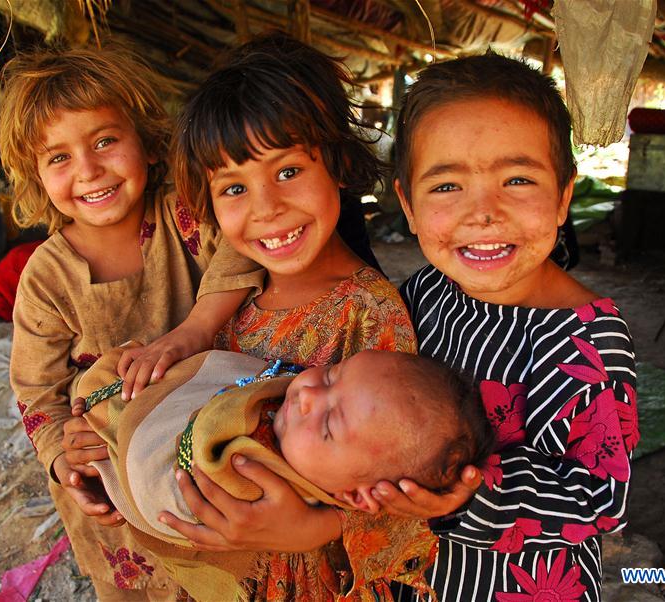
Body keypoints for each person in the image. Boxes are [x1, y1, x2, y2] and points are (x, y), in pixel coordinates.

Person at [145, 33, 423, 601]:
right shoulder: (228, 304)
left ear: (338, 163)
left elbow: (409, 485)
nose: (266, 208)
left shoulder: (368, 315)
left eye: (288, 172)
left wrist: (314, 529)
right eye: (233, 187)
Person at [0, 45, 263, 600]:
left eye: (104, 141)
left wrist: (195, 329)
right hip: (113, 472)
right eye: (59, 157)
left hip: (204, 444)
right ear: (35, 176)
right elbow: (36, 392)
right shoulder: (45, 277)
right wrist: (65, 462)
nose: (89, 170)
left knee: (229, 569)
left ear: (145, 138)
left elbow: (240, 250)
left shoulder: (184, 213)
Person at [375, 53, 640, 601]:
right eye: (446, 186)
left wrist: (469, 495)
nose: (484, 212)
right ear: (407, 204)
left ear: (564, 197)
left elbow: (600, 500)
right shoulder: (426, 290)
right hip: (414, 575)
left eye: (517, 179)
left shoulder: (587, 343)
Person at [70, 346, 495, 602]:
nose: (307, 394)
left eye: (328, 425)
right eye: (331, 374)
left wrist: (318, 528)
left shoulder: (247, 474)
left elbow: (166, 491)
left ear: (358, 498)